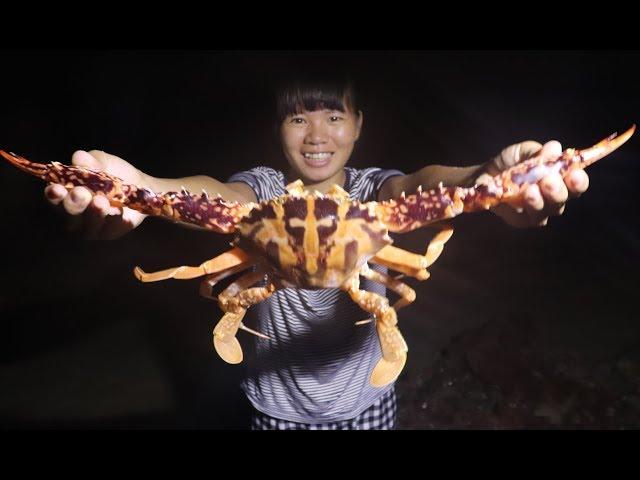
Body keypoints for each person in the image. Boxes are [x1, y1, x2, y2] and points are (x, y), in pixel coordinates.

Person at [42, 73, 589, 430]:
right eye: (298, 117)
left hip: (368, 402)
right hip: (274, 407)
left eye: (334, 116)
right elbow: (219, 196)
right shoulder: (259, 196)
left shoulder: (374, 195)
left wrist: (485, 179)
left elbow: (420, 187)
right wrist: (147, 188)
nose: (316, 133)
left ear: (358, 126)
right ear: (277, 130)